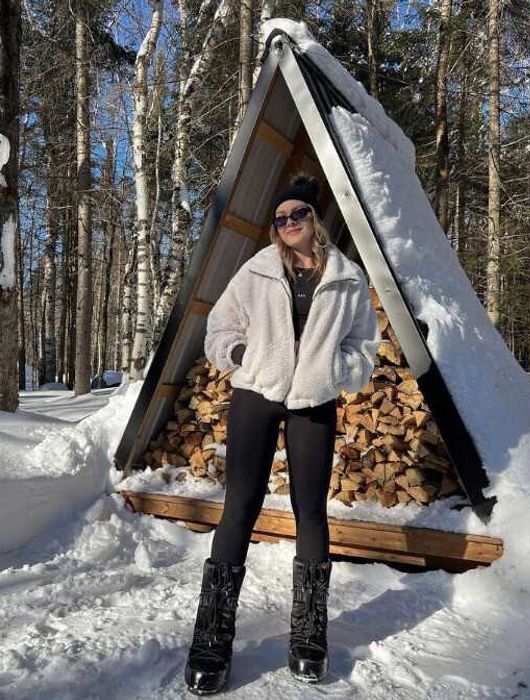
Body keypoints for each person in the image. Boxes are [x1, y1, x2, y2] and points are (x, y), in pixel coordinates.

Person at [183, 174, 381, 695]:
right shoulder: (255, 271)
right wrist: (245, 358)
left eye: (299, 214)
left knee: (311, 512)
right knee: (240, 506)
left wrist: (335, 373)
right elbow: (219, 330)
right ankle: (211, 640)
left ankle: (309, 638)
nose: (290, 223)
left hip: (314, 402)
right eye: (282, 218)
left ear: (317, 220)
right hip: (257, 395)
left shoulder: (347, 277)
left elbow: (364, 346)